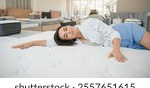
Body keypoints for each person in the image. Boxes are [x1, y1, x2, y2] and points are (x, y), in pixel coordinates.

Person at [12, 18, 150, 62]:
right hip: (126, 45)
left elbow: (113, 33)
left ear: (67, 26)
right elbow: (50, 42)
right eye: (66, 36)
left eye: (65, 29)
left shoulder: (89, 22)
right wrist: (31, 42)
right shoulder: (77, 41)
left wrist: (115, 50)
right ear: (68, 40)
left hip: (126, 32)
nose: (68, 32)